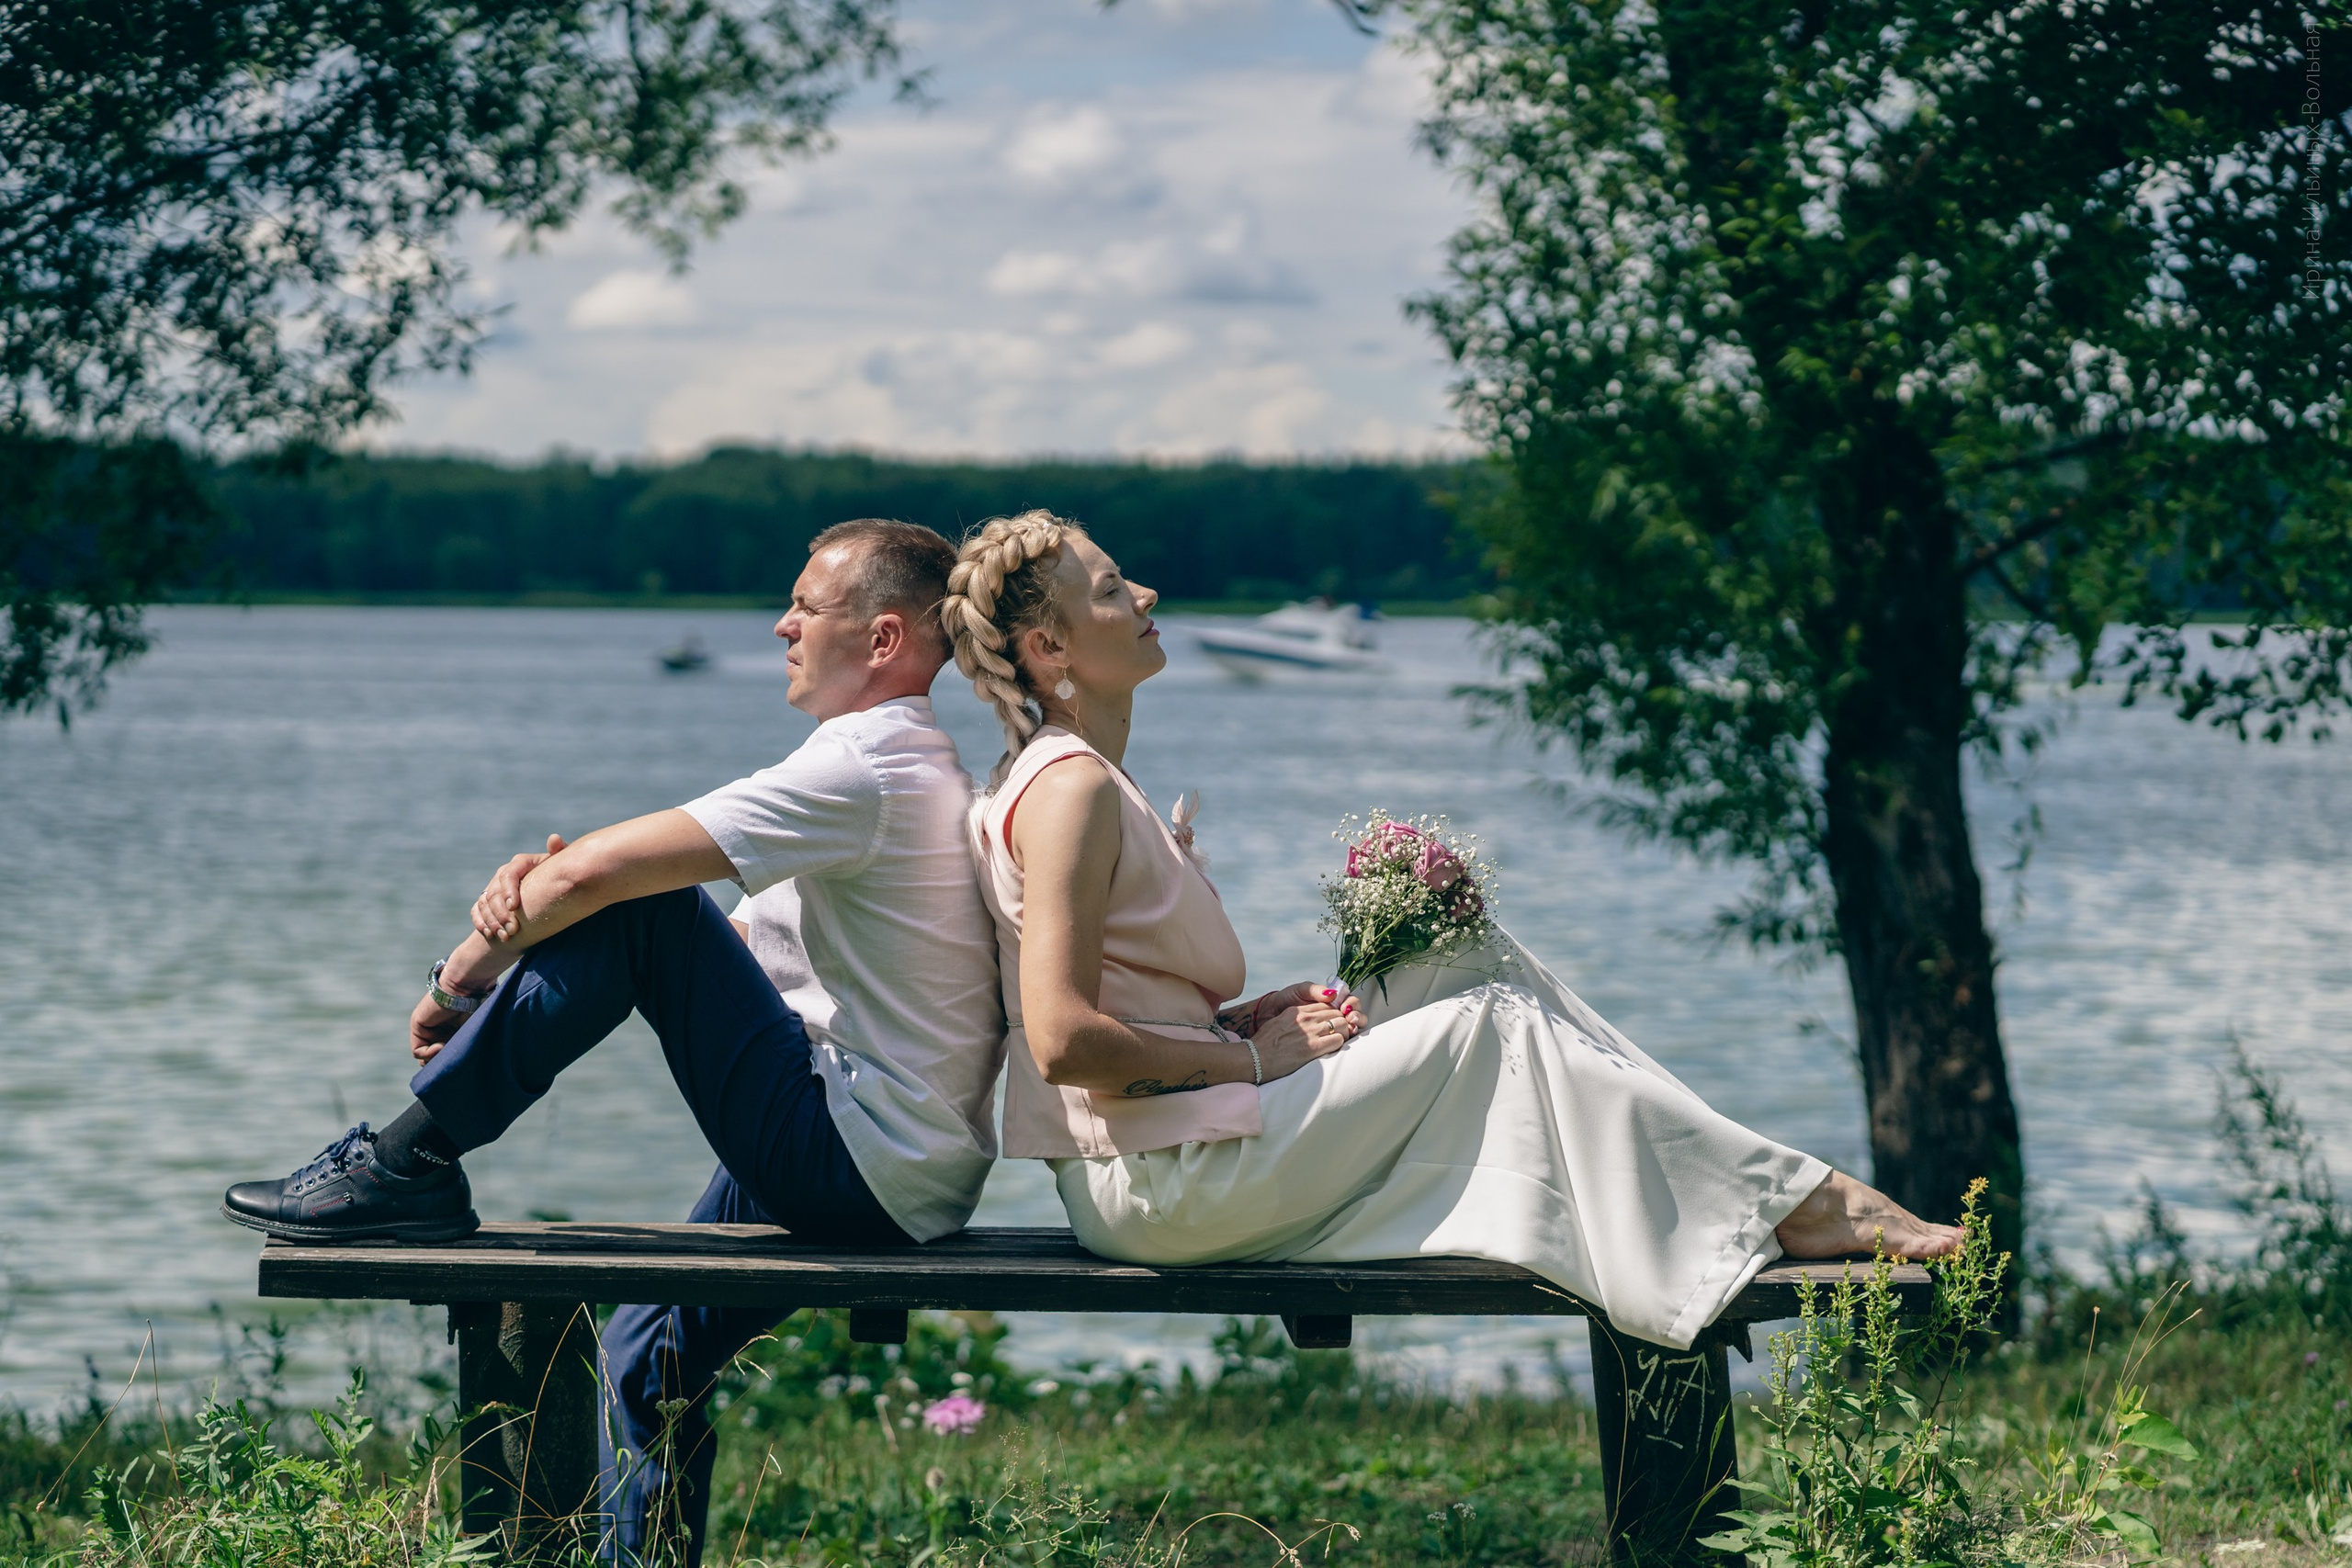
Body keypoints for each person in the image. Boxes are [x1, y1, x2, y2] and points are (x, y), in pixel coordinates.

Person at [942, 510, 1962, 1354]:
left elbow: (1121, 998)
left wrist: (1241, 1023)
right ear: (1050, 649)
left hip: (1184, 1137)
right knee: (1488, 1026)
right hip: (1158, 1188)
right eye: (1115, 590)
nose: (1147, 597)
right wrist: (1245, 1061)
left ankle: (1736, 1185)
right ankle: (1789, 1203)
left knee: (1456, 954)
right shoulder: (1069, 791)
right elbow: (1063, 1042)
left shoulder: (1083, 780)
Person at [220, 519, 1003, 1565]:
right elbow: (689, 943)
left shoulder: (861, 769)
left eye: (805, 609)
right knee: (647, 1346)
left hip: (856, 1160)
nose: (781, 625)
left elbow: (626, 894)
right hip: (883, 1153)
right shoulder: (896, 766)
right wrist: (548, 894)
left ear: (881, 640)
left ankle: (406, 1161)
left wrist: (463, 976)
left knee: (646, 905)